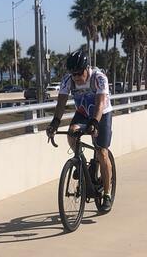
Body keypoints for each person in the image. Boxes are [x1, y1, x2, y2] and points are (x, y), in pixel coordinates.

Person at [46, 50, 113, 212]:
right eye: (73, 73)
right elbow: (61, 103)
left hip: (101, 113)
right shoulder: (68, 80)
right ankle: (80, 163)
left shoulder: (98, 78)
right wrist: (55, 122)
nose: (76, 76)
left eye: (79, 73)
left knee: (102, 152)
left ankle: (107, 194)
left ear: (86, 68)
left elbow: (100, 103)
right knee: (71, 132)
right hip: (83, 112)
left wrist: (95, 123)